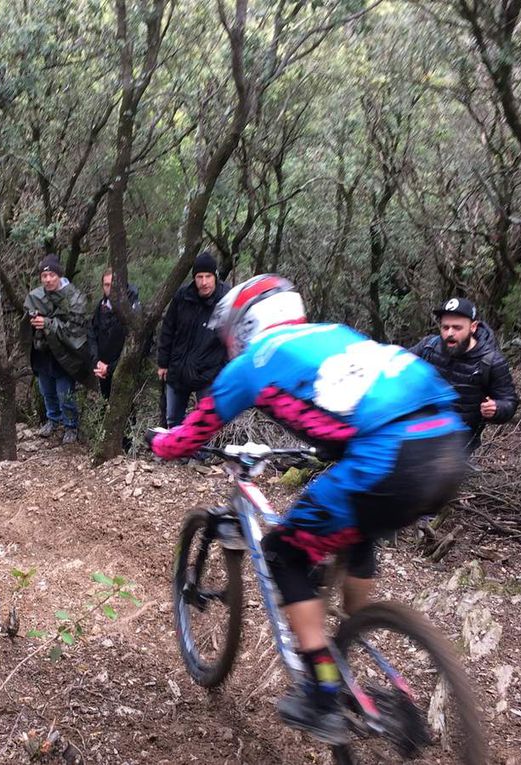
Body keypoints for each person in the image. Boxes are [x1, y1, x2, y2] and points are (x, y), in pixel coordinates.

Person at [148, 274, 468, 744]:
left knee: (284, 552)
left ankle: (321, 690)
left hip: (388, 454)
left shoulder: (254, 361)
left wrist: (164, 442)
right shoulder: (334, 336)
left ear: (244, 325)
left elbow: (193, 433)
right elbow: (358, 400)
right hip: (446, 443)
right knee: (358, 522)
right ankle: (358, 629)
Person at [410, 297, 519, 451]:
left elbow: (509, 402)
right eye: (445, 327)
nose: (450, 333)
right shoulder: (428, 346)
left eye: (457, 327)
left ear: (473, 327)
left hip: (459, 444)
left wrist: (497, 409)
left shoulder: (491, 362)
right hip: (419, 431)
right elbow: (399, 363)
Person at [24, 255, 91, 445]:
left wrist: (48, 323)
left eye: (51, 275)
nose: (47, 279)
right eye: (44, 276)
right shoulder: (36, 296)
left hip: (65, 354)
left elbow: (75, 329)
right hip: (43, 352)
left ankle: (70, 426)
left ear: (58, 275)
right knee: (46, 390)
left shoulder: (74, 297)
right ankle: (52, 420)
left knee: (65, 393)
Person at [156, 251, 229, 426]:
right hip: (178, 368)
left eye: (208, 276)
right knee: (172, 419)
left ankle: (200, 454)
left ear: (215, 276)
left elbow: (236, 336)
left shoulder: (227, 299)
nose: (204, 282)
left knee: (204, 423)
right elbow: (168, 328)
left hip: (208, 372)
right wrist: (163, 363)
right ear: (194, 278)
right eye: (199, 277)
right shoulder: (183, 296)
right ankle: (173, 453)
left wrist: (225, 369)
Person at [88, 269, 142, 400]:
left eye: (113, 284)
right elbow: (92, 334)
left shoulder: (133, 308)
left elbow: (137, 345)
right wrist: (97, 362)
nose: (110, 289)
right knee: (106, 405)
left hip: (124, 370)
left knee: (125, 408)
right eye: (106, 285)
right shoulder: (101, 307)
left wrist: (111, 368)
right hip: (102, 370)